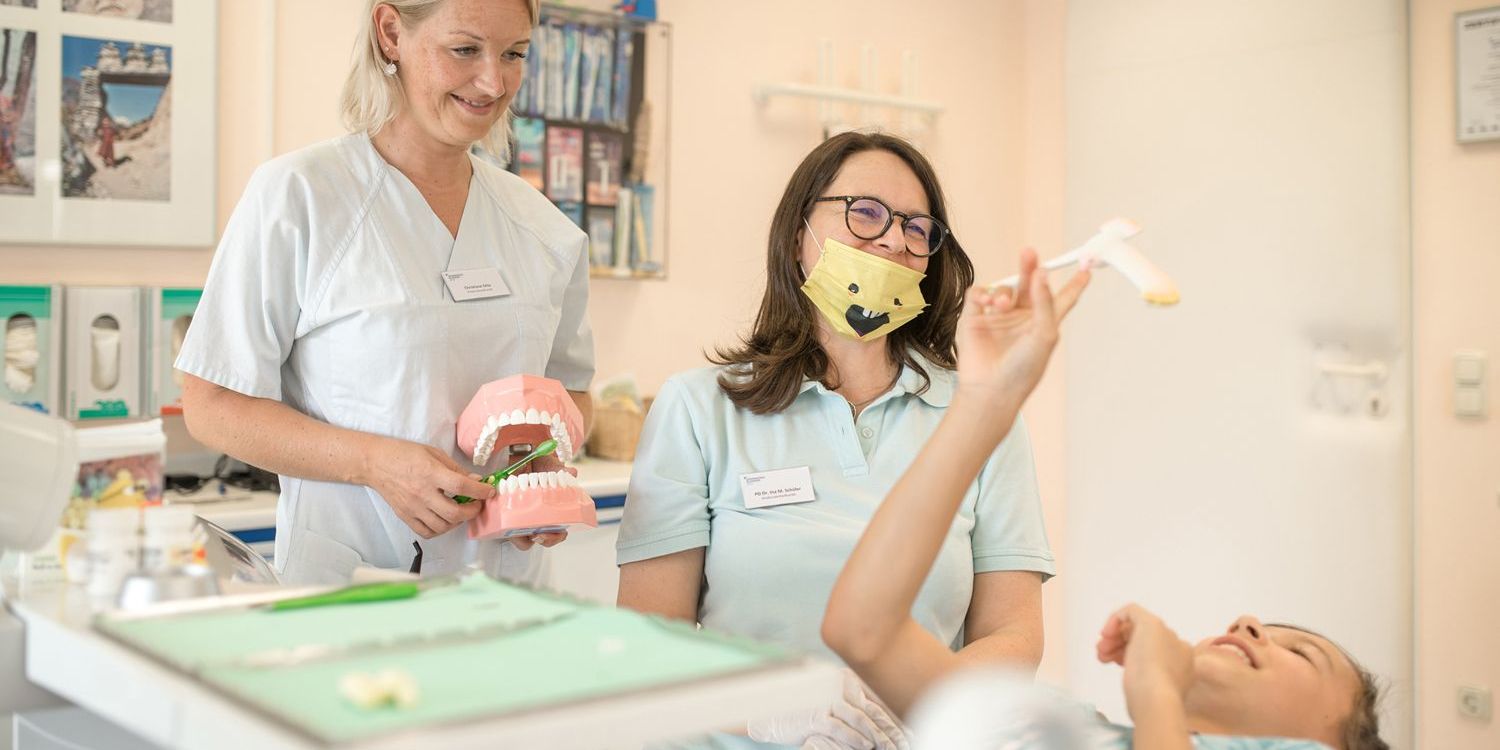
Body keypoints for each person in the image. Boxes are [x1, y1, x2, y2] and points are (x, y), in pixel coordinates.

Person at [820, 253, 1388, 750]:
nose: (1247, 623)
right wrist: (984, 402)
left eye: (1303, 653)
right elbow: (862, 629)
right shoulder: (1059, 727)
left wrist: (1157, 692)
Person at [616, 132, 1055, 749]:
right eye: (865, 212)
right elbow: (646, 638)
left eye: (917, 228)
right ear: (799, 235)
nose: (892, 240)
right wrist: (779, 714)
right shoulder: (698, 407)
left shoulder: (982, 412)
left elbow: (1014, 633)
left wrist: (918, 709)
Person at [177, 0, 594, 585]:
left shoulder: (544, 229)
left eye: (514, 54)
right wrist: (373, 464)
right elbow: (212, 405)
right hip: (352, 584)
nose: (493, 82)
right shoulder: (300, 197)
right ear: (391, 31)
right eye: (464, 49)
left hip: (507, 589)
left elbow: (571, 390)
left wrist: (539, 464)